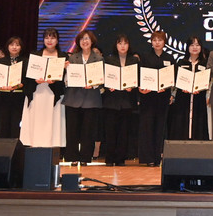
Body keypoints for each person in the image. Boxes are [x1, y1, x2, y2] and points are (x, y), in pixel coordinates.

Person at [20, 28, 67, 149]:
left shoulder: (63, 56)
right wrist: (35, 80)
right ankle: (34, 147)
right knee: (36, 120)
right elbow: (27, 74)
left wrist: (58, 77)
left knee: (52, 121)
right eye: (47, 38)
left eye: (53, 37)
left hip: (53, 94)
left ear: (57, 40)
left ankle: (50, 149)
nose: (49, 40)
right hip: (37, 92)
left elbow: (65, 78)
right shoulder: (35, 55)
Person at [63, 30, 103, 166]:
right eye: (82, 39)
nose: (85, 41)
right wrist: (66, 70)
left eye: (87, 39)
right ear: (78, 42)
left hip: (91, 99)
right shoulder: (72, 58)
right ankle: (72, 157)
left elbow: (101, 79)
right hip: (73, 98)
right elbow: (66, 80)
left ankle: (85, 157)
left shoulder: (98, 59)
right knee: (72, 130)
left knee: (88, 131)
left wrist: (93, 84)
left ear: (92, 41)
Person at [138, 31, 175, 166]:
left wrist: (170, 91)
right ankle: (148, 158)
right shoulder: (145, 57)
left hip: (163, 98)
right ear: (151, 42)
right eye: (155, 40)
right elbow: (140, 76)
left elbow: (173, 78)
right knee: (147, 127)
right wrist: (142, 89)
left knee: (160, 128)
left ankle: (158, 157)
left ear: (164, 42)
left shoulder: (169, 58)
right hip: (148, 97)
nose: (157, 43)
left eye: (160, 40)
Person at [102, 34, 140, 166]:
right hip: (111, 101)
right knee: (110, 131)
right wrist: (108, 85)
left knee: (124, 132)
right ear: (116, 45)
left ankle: (120, 159)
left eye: (125, 43)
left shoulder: (134, 60)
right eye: (120, 43)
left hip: (127, 101)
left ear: (129, 45)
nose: (122, 46)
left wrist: (133, 86)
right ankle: (109, 158)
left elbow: (138, 78)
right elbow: (103, 77)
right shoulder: (108, 59)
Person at [168, 36, 209, 141]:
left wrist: (202, 89)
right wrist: (177, 91)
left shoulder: (205, 63)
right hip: (183, 98)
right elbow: (175, 81)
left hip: (199, 98)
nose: (195, 47)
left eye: (197, 45)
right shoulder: (181, 62)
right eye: (192, 45)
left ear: (201, 47)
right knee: (181, 123)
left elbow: (208, 81)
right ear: (187, 47)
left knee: (199, 123)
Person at [0, 36, 26, 139]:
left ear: (21, 47)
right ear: (7, 46)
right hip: (4, 97)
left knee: (16, 124)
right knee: (3, 124)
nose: (14, 47)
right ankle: (3, 147)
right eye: (12, 44)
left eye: (17, 45)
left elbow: (27, 79)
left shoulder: (25, 61)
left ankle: (16, 147)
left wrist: (20, 85)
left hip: (19, 97)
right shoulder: (1, 61)